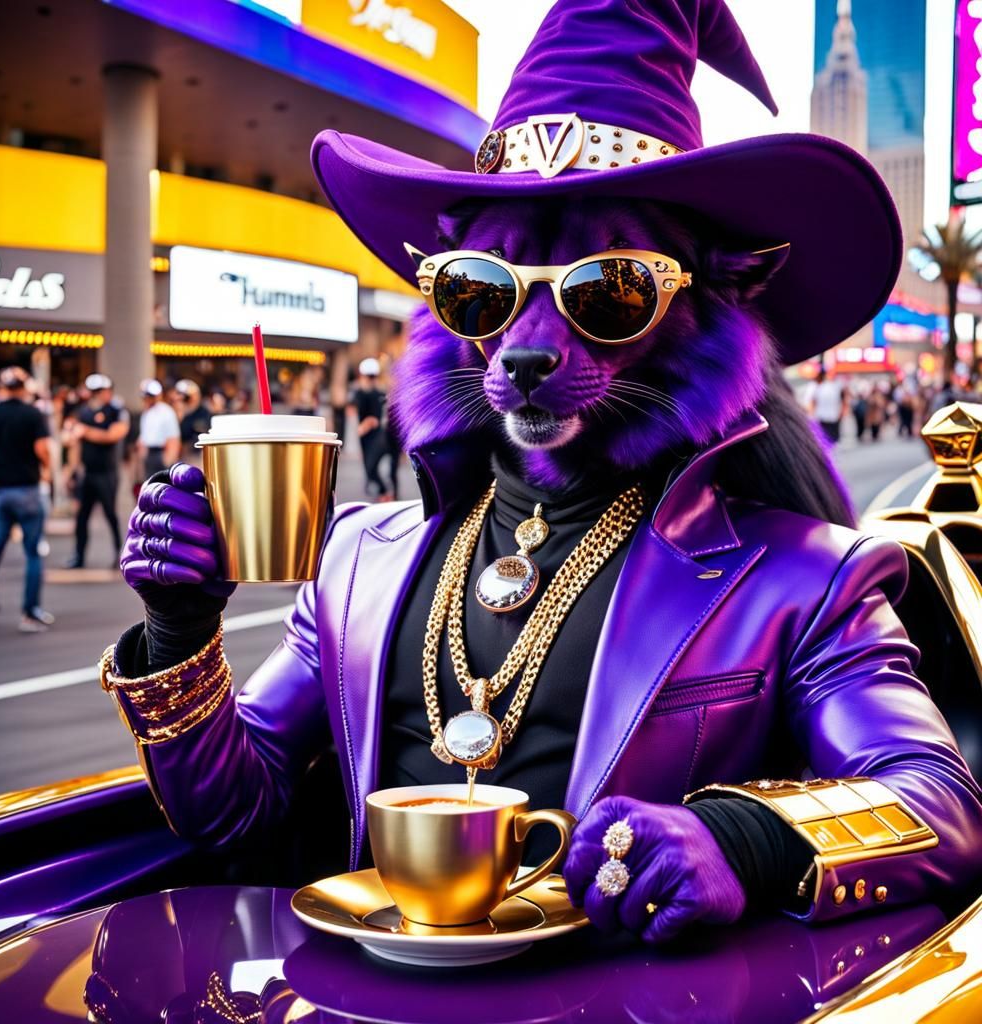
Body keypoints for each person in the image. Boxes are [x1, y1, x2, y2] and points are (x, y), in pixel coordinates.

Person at [104, 0, 982, 944]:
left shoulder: (806, 579)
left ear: (716, 295)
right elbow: (235, 813)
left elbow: (939, 800)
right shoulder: (358, 561)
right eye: (483, 289)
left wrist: (743, 839)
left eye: (607, 290)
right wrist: (180, 635)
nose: (528, 347)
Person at [0, 366, 53, 632]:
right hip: (27, 489)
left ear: (3, 387)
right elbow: (42, 450)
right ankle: (30, 612)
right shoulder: (32, 414)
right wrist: (47, 473)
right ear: (23, 387)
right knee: (32, 552)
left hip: (0, 491)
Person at [67, 373, 129, 569]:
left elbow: (113, 435)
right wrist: (73, 469)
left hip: (107, 471)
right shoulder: (84, 412)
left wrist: (86, 431)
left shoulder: (115, 411)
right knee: (82, 517)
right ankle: (79, 555)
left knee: (111, 514)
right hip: (89, 472)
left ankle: (120, 554)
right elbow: (74, 442)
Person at [352, 357, 388, 498]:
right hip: (365, 438)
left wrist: (363, 426)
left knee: (371, 467)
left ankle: (384, 492)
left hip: (376, 436)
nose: (369, 379)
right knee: (368, 467)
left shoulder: (378, 393)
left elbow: (376, 419)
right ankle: (379, 492)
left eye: (371, 376)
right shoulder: (359, 392)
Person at [137, 379, 181, 480]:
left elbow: (173, 438)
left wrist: (168, 460)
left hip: (161, 453)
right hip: (150, 454)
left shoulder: (166, 412)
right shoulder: (147, 412)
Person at [174, 379, 212, 466]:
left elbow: (202, 432)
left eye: (187, 397)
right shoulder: (175, 412)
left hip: (196, 455)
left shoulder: (203, 413)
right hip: (179, 456)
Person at [803, 368, 845, 444]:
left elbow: (811, 402)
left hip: (826, 417)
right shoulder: (828, 386)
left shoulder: (820, 386)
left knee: (825, 439)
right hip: (829, 417)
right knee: (830, 439)